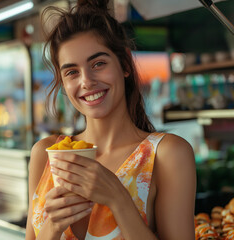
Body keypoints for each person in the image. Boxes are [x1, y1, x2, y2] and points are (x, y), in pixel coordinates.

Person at [25, 1, 196, 240]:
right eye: (72, 72)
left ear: (125, 64)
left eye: (98, 64)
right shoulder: (46, 154)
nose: (86, 81)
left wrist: (118, 198)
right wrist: (51, 227)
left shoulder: (167, 154)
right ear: (63, 82)